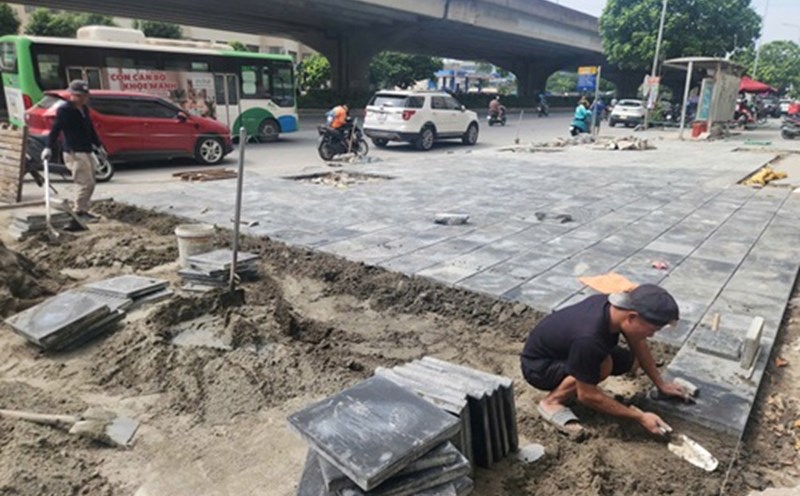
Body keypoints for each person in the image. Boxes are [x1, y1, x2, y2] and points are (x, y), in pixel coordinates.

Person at [520, 284, 691, 436]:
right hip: (539, 368)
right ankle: (551, 402)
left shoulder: (615, 308)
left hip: (566, 349)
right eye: (653, 329)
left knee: (630, 361)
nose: (652, 335)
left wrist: (660, 384)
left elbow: (638, 342)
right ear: (632, 317)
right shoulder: (589, 339)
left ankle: (574, 381)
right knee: (603, 365)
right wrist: (639, 416)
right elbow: (587, 396)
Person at [42, 80, 106, 222]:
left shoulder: (84, 109)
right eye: (78, 96)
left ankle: (83, 209)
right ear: (71, 95)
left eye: (84, 96)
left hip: (86, 149)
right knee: (84, 182)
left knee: (91, 182)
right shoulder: (65, 110)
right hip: (74, 151)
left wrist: (98, 145)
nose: (82, 99)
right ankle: (79, 212)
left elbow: (90, 129)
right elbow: (55, 129)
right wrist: (48, 147)